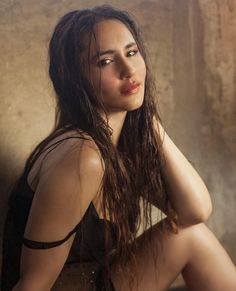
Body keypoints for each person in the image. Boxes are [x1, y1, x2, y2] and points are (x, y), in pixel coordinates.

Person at [1, 4, 236, 291]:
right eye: (105, 61)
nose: (128, 70)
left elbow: (194, 212)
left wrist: (149, 120)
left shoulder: (119, 144)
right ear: (74, 78)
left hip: (99, 280)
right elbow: (33, 283)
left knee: (189, 235)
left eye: (132, 52)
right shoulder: (81, 157)